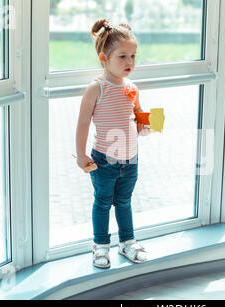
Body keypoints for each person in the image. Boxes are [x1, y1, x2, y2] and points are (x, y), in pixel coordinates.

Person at [75, 18, 149, 269]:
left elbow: (138, 111)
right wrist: (80, 154)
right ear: (104, 59)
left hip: (131, 159)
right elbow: (83, 123)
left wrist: (145, 122)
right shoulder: (96, 89)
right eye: (122, 56)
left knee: (125, 201)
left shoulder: (132, 87)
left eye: (133, 56)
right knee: (103, 202)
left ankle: (127, 242)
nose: (130, 62)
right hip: (104, 160)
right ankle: (100, 245)